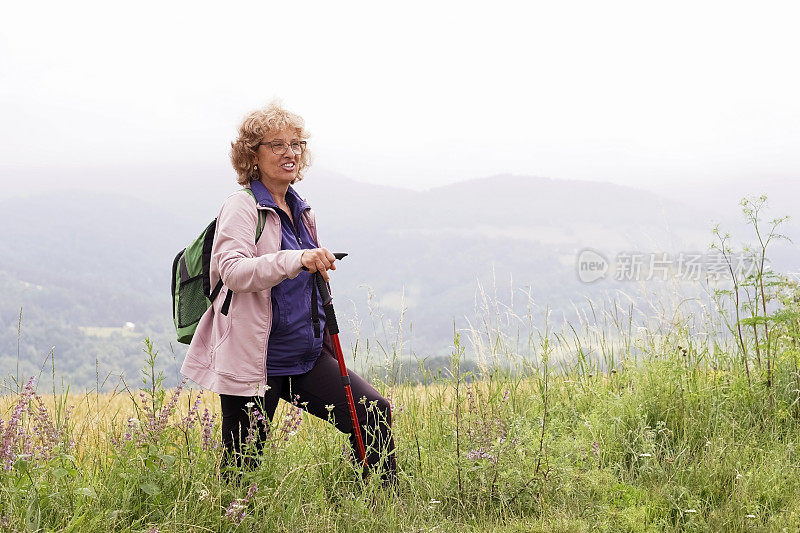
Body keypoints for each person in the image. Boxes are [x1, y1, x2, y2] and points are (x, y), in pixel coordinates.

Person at [180, 101, 396, 484]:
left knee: (372, 412)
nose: (290, 152)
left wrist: (314, 267)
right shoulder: (242, 207)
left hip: (305, 353)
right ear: (252, 154)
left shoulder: (301, 208)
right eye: (277, 144)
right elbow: (233, 272)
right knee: (242, 467)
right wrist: (296, 259)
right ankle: (229, 521)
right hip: (255, 359)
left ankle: (378, 501)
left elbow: (301, 272)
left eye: (296, 143)